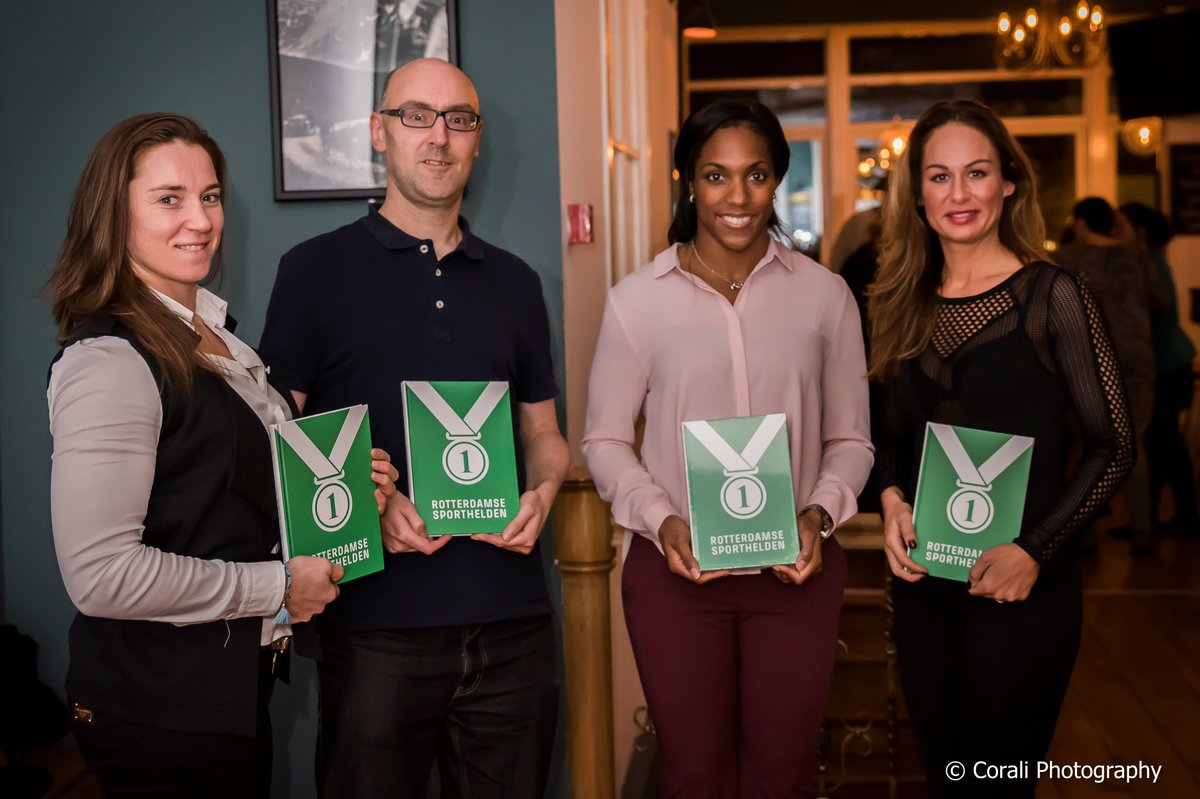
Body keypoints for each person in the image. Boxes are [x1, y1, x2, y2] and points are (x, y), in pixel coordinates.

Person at [45, 113, 399, 798]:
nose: (201, 220)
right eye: (169, 198)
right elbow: (100, 575)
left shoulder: (217, 337)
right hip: (157, 710)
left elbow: (220, 496)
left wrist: (342, 491)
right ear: (113, 215)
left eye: (209, 196)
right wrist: (279, 587)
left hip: (222, 698)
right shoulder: (110, 360)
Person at [258, 58, 570, 798]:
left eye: (458, 120)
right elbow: (277, 435)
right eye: (417, 116)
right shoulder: (312, 270)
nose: (439, 136)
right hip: (375, 627)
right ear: (380, 132)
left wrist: (545, 490)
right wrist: (361, 495)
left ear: (477, 140)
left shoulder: (517, 283)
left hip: (512, 622)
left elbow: (543, 433)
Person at [582, 98, 873, 798]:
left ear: (776, 181)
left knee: (783, 777)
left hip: (795, 574)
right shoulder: (636, 301)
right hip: (675, 578)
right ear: (688, 180)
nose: (736, 197)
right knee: (692, 777)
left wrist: (819, 515)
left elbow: (851, 439)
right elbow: (605, 439)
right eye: (716, 175)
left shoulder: (826, 297)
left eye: (756, 175)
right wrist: (660, 519)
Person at [869, 100, 1134, 798]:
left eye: (977, 172)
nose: (958, 193)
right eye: (939, 176)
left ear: (1009, 182)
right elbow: (889, 437)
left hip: (1025, 592)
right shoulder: (899, 302)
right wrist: (891, 499)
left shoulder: (1054, 295)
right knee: (947, 779)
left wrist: (1034, 550)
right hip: (926, 590)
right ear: (918, 194)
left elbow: (1114, 445)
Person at [1058, 196, 1168, 555]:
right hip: (1138, 361)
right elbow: (1162, 302)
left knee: (1090, 446)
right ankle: (1143, 530)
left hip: (1089, 363)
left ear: (1080, 223)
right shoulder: (1137, 257)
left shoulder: (1069, 260)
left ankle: (1083, 533)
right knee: (1133, 444)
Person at [1120, 202, 1199, 537]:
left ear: (1139, 232)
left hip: (1167, 366)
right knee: (1162, 444)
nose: (1115, 232)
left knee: (1164, 443)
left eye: (1121, 225)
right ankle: (1156, 519)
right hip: (1173, 361)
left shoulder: (1148, 264)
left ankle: (1180, 519)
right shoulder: (1153, 260)